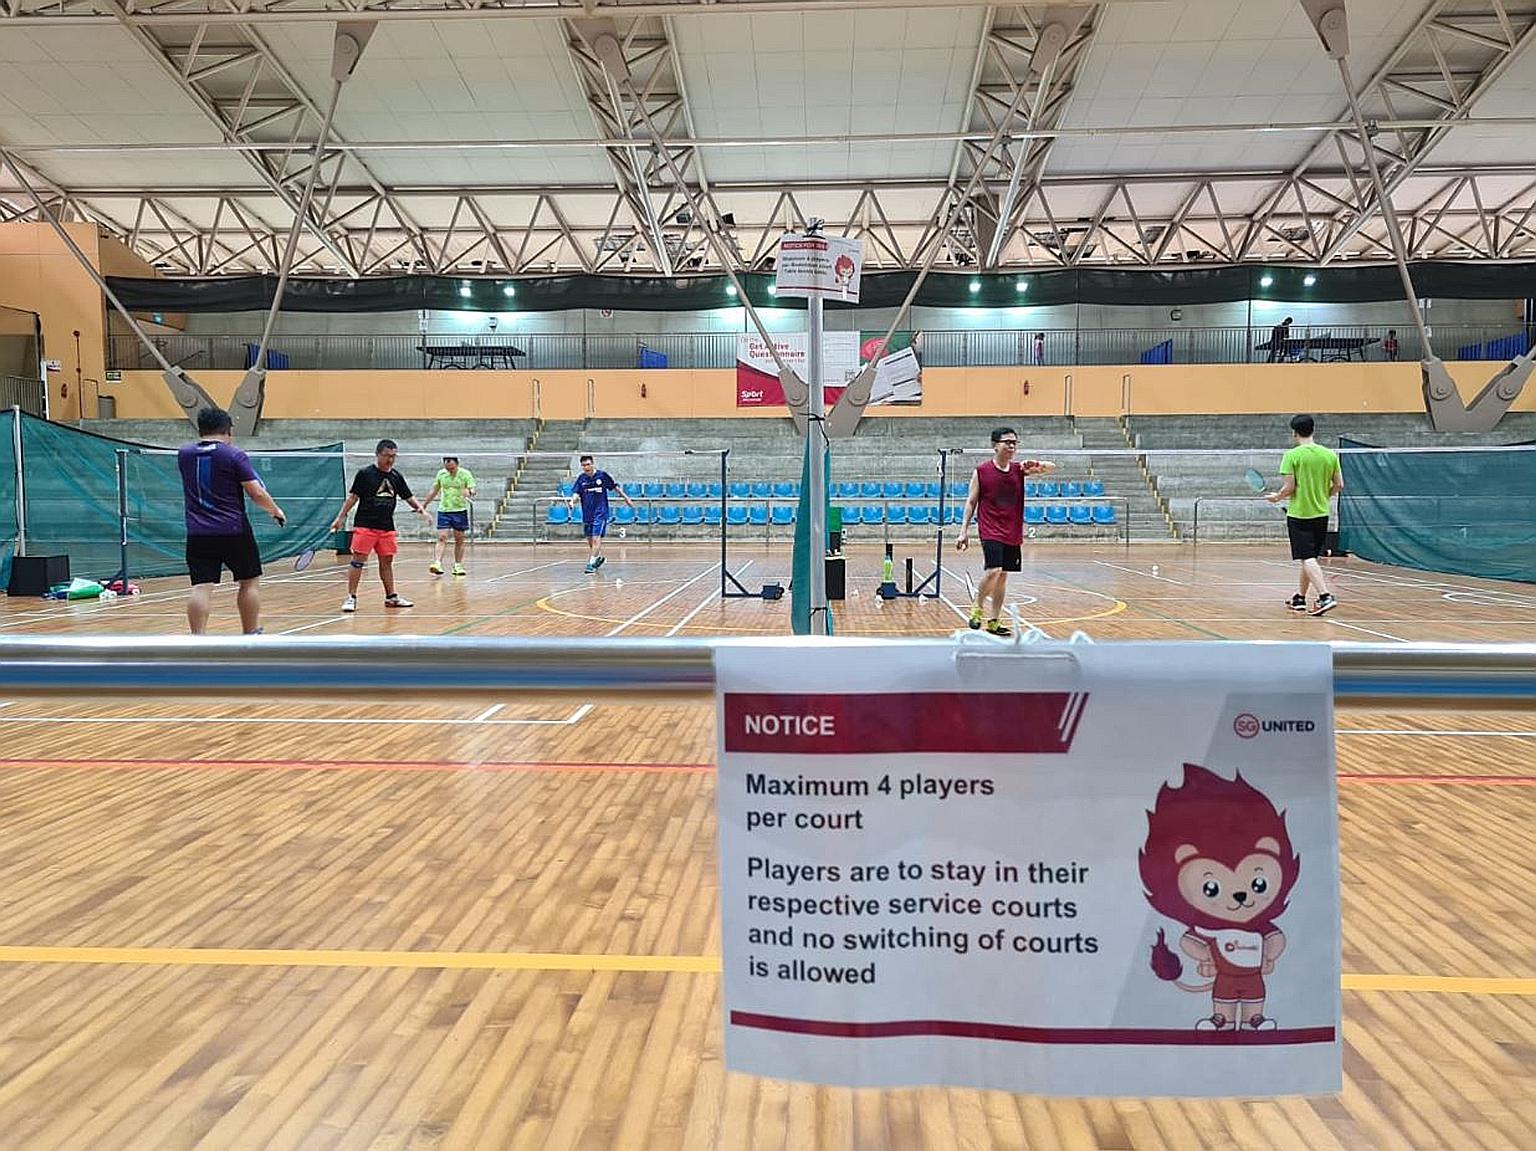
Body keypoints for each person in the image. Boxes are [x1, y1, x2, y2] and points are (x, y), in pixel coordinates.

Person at [177, 406, 286, 635]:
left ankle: (197, 639)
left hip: (198, 532)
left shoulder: (184, 454)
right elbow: (256, 492)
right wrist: (275, 510)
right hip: (233, 529)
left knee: (201, 586)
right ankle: (251, 634)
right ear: (228, 430)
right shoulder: (233, 454)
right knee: (249, 581)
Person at [955, 426, 1056, 636]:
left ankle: (994, 621)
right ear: (995, 445)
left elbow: (1051, 467)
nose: (1011, 446)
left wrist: (1036, 464)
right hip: (990, 528)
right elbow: (971, 501)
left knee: (1002, 576)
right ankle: (977, 607)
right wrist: (963, 530)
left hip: (1012, 530)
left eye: (1014, 443)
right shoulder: (981, 472)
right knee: (994, 570)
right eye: (1007, 442)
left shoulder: (1019, 469)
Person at [329, 439, 432, 612]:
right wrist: (340, 518)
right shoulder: (365, 474)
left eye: (393, 456)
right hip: (365, 525)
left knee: (387, 562)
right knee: (358, 561)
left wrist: (422, 510)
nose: (390, 460)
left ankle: (391, 597)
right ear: (377, 455)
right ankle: (351, 597)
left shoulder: (396, 476)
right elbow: (353, 497)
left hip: (387, 527)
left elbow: (408, 497)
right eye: (386, 456)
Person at [1266, 414, 1342, 616]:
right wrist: (1323, 496)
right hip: (1321, 514)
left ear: (1294, 433)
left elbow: (1289, 487)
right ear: (1313, 430)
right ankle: (1300, 598)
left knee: (1307, 557)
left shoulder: (1292, 456)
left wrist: (1277, 497)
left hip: (1299, 515)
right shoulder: (1329, 455)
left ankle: (1325, 596)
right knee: (1309, 559)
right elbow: (1339, 485)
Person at [568, 453, 635, 574]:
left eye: (588, 464)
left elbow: (615, 487)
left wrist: (626, 499)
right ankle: (597, 558)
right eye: (583, 465)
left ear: (592, 464)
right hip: (587, 513)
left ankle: (591, 564)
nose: (586, 467)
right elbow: (576, 493)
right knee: (590, 540)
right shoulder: (581, 479)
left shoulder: (602, 476)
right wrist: (572, 502)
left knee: (596, 538)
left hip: (600, 512)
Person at [424, 455, 476, 576]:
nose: (450, 471)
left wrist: (468, 492)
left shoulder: (465, 474)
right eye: (448, 468)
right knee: (442, 537)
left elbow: (472, 489)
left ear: (457, 464)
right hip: (444, 510)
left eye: (452, 468)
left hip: (459, 511)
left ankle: (458, 565)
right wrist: (424, 505)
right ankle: (437, 563)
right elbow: (434, 490)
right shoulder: (441, 474)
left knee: (459, 539)